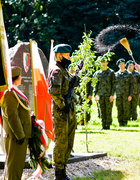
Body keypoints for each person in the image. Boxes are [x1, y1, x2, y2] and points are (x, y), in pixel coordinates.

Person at [48, 44, 77, 179]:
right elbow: (54, 92)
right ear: (59, 55)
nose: (69, 57)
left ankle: (63, 171)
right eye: (67, 55)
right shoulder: (57, 71)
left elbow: (68, 89)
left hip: (69, 111)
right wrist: (62, 106)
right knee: (61, 142)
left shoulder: (63, 70)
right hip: (61, 113)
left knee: (69, 142)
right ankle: (59, 174)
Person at [1, 67, 32, 179]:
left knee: (13, 167)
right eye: (20, 76)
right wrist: (20, 135)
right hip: (15, 136)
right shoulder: (10, 93)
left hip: (17, 135)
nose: (21, 78)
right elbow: (12, 116)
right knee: (14, 168)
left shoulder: (14, 91)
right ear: (16, 78)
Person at [93, 57, 115, 129]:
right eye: (101, 62)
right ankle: (103, 125)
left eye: (104, 62)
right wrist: (95, 94)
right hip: (100, 94)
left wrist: (112, 95)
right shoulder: (97, 73)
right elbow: (95, 84)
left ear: (107, 63)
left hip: (108, 94)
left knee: (108, 110)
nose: (103, 63)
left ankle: (108, 125)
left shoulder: (111, 72)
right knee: (101, 110)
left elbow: (113, 84)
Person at [114, 58, 134, 126]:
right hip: (118, 94)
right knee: (119, 108)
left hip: (126, 94)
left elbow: (132, 85)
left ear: (125, 65)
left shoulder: (129, 74)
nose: (121, 65)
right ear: (118, 66)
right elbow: (114, 85)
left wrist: (130, 95)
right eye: (120, 64)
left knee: (126, 109)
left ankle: (125, 122)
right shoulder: (116, 74)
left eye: (122, 64)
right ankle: (120, 122)